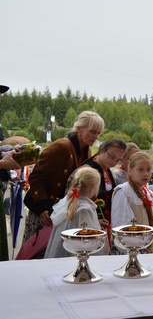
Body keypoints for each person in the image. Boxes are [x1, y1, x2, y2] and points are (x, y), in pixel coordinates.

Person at [22, 111, 104, 259]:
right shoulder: (61, 146)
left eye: (98, 133)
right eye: (92, 131)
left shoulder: (86, 150)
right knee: (36, 255)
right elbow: (36, 177)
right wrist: (43, 208)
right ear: (79, 129)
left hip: (59, 212)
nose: (96, 136)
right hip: (43, 211)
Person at [44, 167, 109, 258]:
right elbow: (87, 241)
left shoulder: (68, 202)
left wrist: (95, 223)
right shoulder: (84, 210)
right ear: (93, 188)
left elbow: (74, 225)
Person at [80, 138, 126, 224]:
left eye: (118, 160)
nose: (114, 162)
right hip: (87, 222)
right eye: (111, 157)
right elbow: (75, 201)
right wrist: (93, 220)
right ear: (102, 150)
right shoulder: (87, 170)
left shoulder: (108, 171)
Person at [111, 151, 153, 229]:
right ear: (130, 170)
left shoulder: (148, 193)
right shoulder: (124, 192)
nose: (146, 174)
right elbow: (120, 225)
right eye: (140, 170)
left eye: (148, 170)